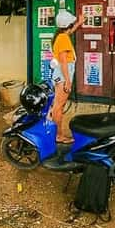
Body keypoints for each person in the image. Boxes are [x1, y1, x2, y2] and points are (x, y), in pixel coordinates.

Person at [50, 8, 84, 144]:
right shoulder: (63, 39)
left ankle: (56, 133)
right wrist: (68, 82)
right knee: (58, 107)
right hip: (63, 77)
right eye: (72, 24)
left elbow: (69, 32)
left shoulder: (60, 36)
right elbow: (64, 62)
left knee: (58, 106)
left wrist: (79, 23)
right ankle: (58, 135)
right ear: (68, 26)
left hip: (59, 76)